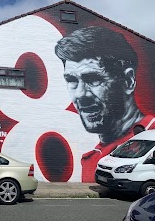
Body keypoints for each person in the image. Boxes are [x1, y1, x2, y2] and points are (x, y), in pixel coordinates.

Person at [54, 26, 155, 182]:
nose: (81, 94)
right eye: (72, 80)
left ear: (128, 81)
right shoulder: (91, 159)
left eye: (93, 79)